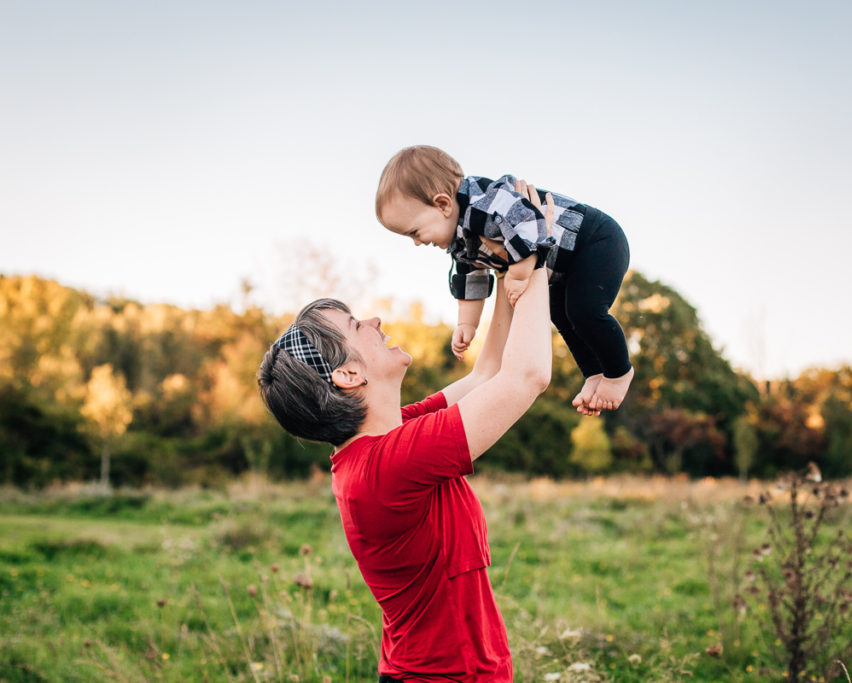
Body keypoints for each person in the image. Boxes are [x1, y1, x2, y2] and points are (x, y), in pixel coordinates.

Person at [258, 184, 553, 682]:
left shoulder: (392, 437)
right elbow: (527, 378)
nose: (374, 320)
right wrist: (537, 251)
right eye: (356, 326)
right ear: (348, 376)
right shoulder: (388, 465)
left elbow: (488, 375)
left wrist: (508, 259)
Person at [376, 145, 634, 415]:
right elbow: (471, 275)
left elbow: (530, 222)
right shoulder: (459, 238)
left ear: (442, 204)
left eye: (415, 232)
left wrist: (519, 273)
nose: (417, 243)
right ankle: (593, 372)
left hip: (594, 241)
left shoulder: (486, 203)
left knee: (584, 310)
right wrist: (467, 323)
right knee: (562, 314)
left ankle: (619, 372)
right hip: (562, 266)